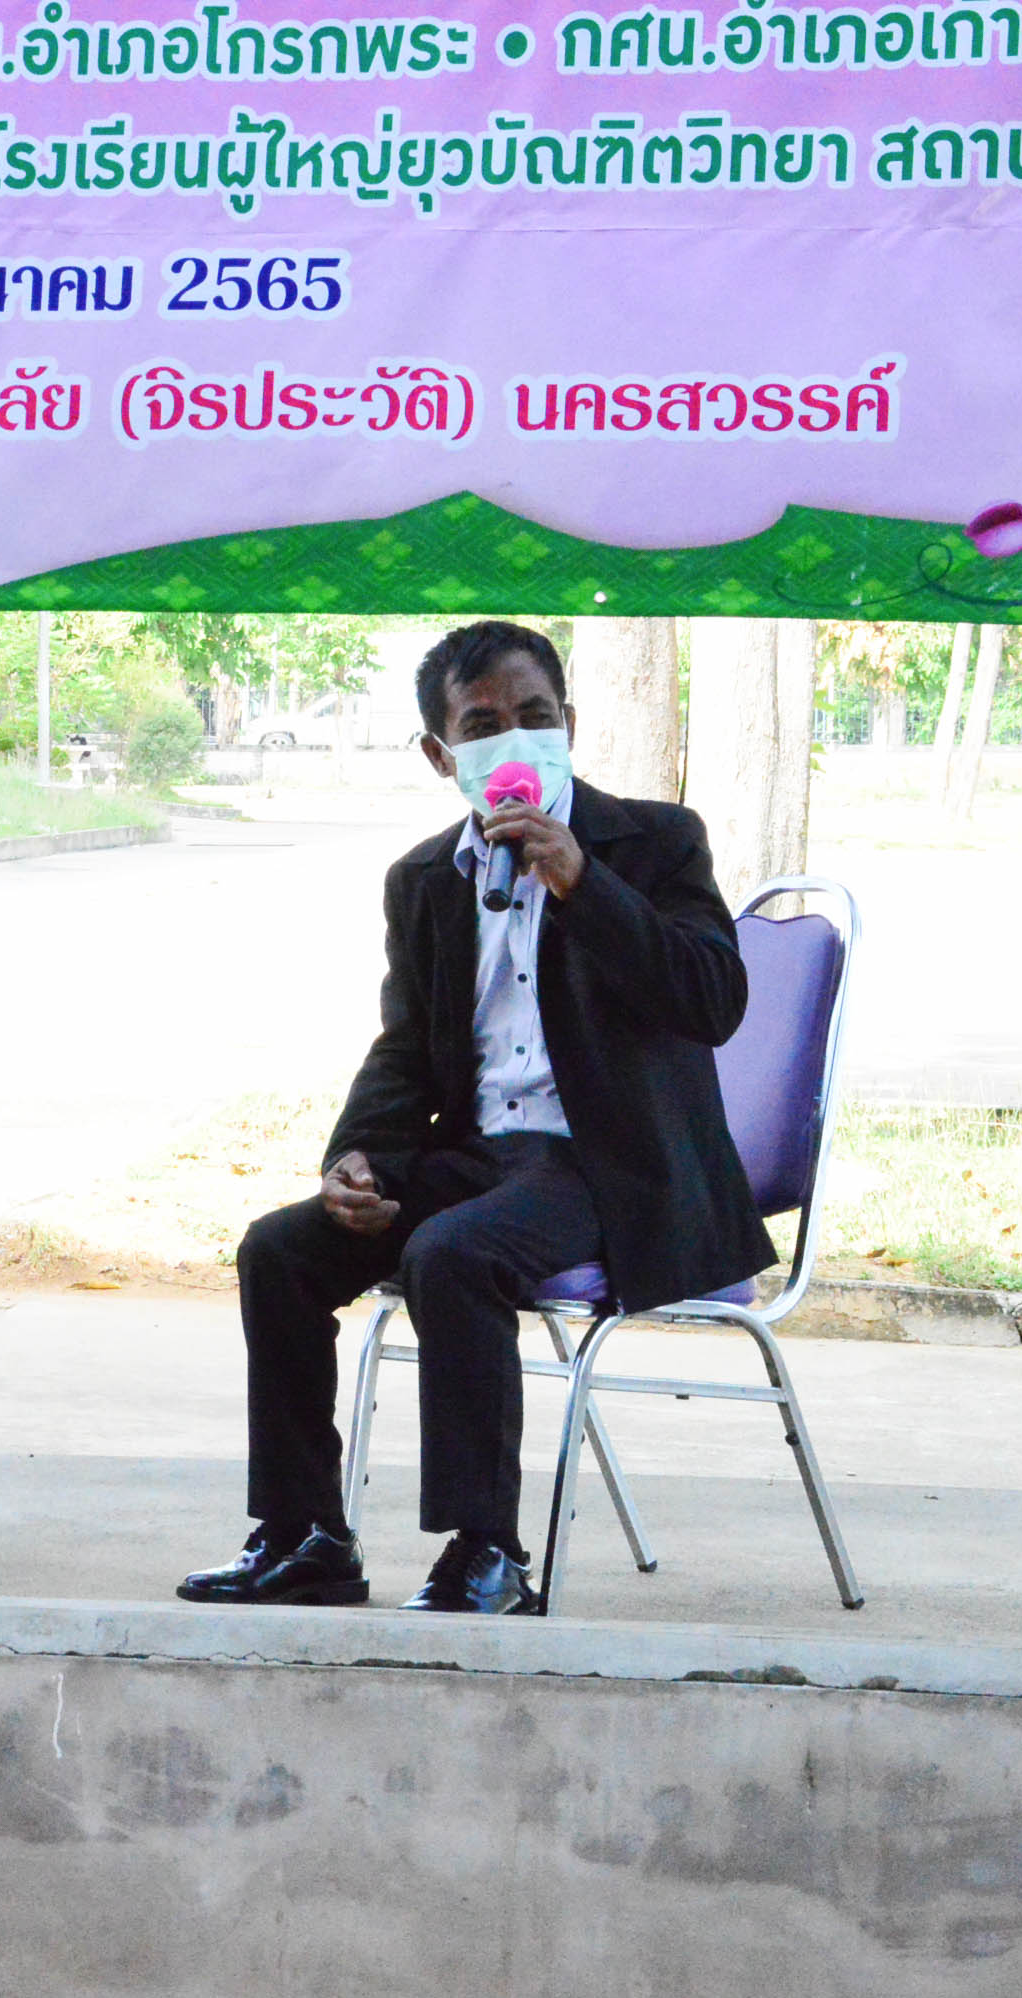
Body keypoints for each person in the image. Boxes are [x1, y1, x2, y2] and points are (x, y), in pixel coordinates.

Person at [178, 620, 774, 1615]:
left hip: (609, 1166)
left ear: (568, 725)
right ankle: (303, 1535)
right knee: (280, 1249)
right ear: (439, 754)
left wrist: (582, 882)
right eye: (483, 725)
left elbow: (712, 1001)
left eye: (534, 716)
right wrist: (357, 1161)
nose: (515, 739)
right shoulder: (424, 879)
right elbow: (406, 1047)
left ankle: (487, 1553)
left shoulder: (656, 841)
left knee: (452, 1254)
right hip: (480, 1157)